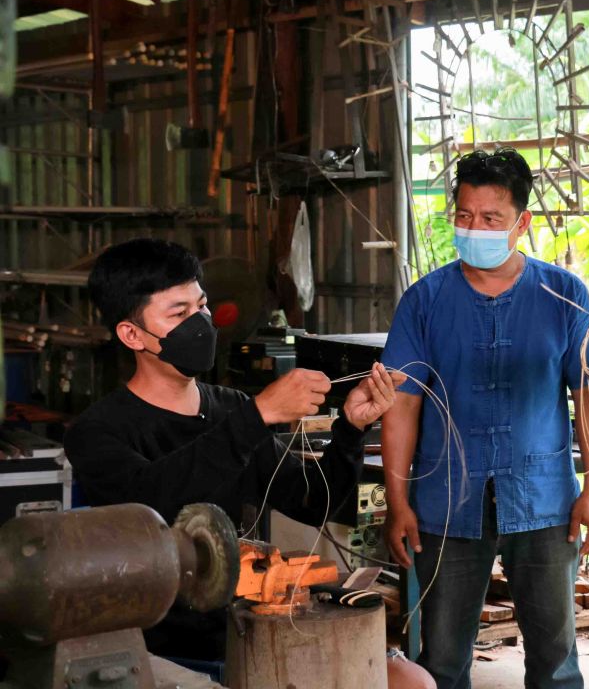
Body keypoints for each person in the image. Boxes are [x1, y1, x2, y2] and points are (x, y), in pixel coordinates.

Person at [65, 238, 433, 689]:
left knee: (412, 681)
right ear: (132, 335)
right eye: (178, 314)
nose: (200, 322)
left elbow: (314, 502)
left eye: (201, 306)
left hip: (255, 631)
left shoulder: (230, 408)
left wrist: (351, 430)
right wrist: (257, 417)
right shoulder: (97, 432)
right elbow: (153, 504)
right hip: (163, 652)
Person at [379, 147, 589, 689]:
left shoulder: (565, 294)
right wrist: (398, 501)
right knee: (441, 659)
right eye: (465, 216)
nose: (475, 228)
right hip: (446, 502)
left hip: (544, 500)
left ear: (521, 223)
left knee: (556, 661)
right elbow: (402, 404)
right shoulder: (424, 301)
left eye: (491, 218)